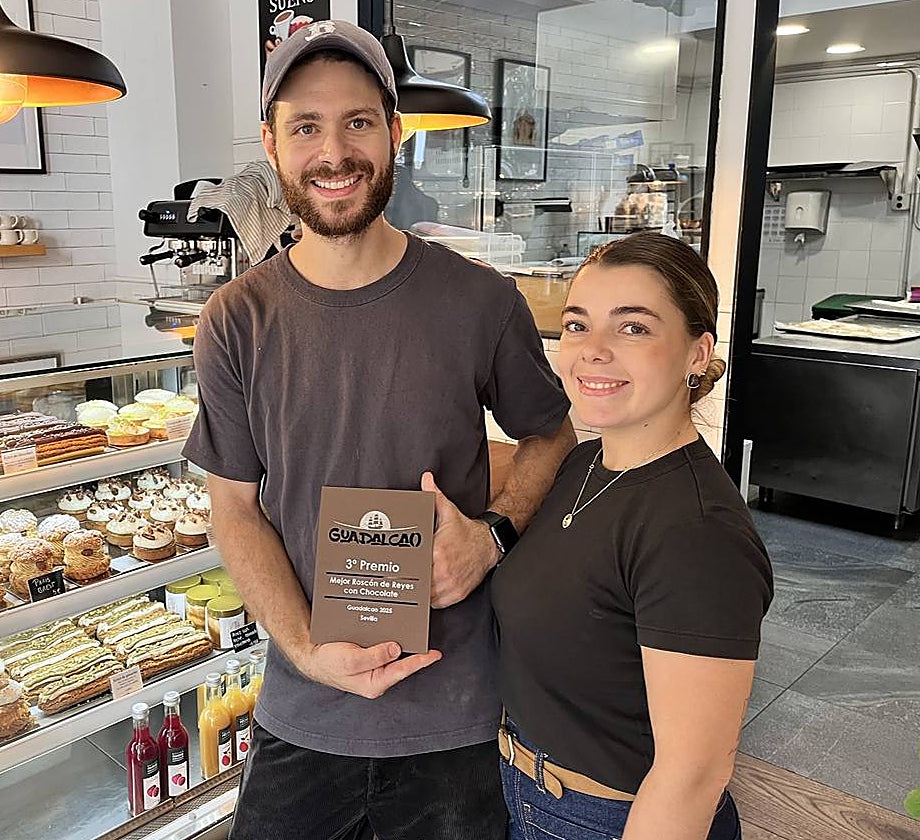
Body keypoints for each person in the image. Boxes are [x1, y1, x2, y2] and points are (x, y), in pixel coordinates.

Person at [182, 20, 576, 840]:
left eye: (359, 121)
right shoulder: (236, 319)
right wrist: (302, 649)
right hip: (304, 708)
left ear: (395, 133)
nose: (336, 153)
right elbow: (235, 509)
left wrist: (495, 535)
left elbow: (551, 438)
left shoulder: (481, 301)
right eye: (306, 127)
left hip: (457, 719)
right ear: (272, 144)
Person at [492, 232, 774, 840]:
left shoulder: (697, 533)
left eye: (634, 328)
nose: (592, 351)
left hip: (607, 821)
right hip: (527, 794)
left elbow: (692, 776)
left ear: (698, 354)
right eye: (576, 325)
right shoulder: (586, 465)